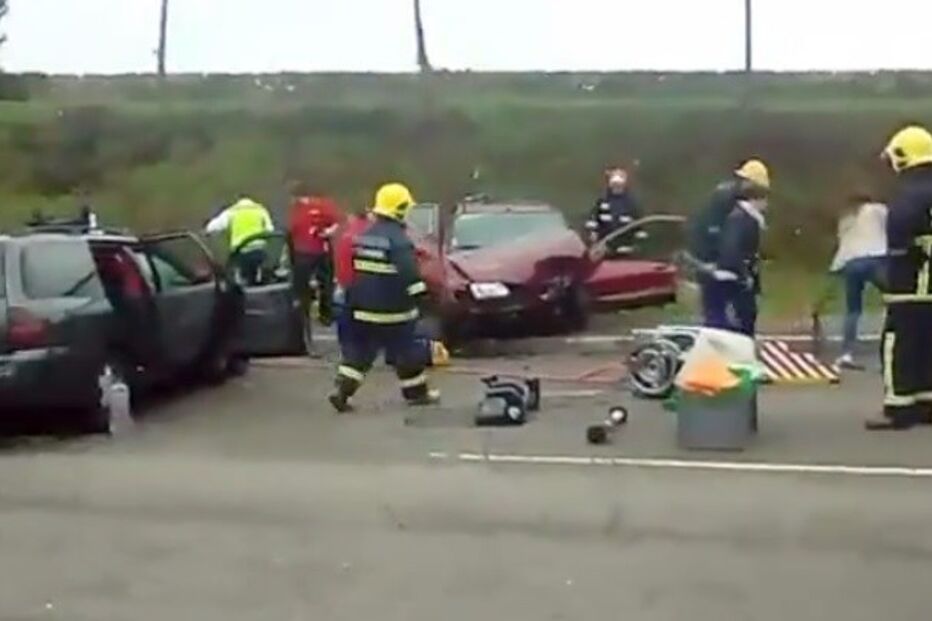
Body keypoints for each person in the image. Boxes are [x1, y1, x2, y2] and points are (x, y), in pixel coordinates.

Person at [328, 182, 440, 413]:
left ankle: (342, 391)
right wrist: (425, 301)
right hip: (395, 312)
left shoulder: (364, 237)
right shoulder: (399, 240)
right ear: (399, 209)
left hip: (362, 308)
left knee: (359, 356)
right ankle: (417, 394)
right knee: (407, 353)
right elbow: (410, 275)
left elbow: (357, 271)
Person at [866, 125, 932, 431]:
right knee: (927, 342)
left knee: (897, 341)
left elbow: (901, 235)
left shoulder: (910, 194)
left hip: (910, 281)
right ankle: (926, 403)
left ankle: (899, 406)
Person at [686, 159, 771, 331]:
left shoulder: (737, 204)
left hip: (725, 267)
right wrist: (714, 264)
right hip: (717, 266)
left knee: (727, 316)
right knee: (721, 317)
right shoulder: (728, 203)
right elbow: (714, 234)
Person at [828, 193, 887, 369]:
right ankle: (891, 346)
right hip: (875, 259)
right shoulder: (876, 209)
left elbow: (843, 244)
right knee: (894, 300)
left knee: (853, 309)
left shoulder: (846, 218)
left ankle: (847, 353)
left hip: (851, 263)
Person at [712, 191, 769, 336]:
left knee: (745, 316)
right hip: (737, 277)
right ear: (756, 199)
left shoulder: (746, 218)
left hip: (740, 275)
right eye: (765, 200)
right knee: (744, 317)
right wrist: (744, 274)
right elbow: (733, 249)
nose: (767, 205)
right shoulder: (742, 219)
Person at [288, 183, 343, 329]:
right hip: (315, 251)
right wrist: (329, 232)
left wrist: (327, 232)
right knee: (324, 284)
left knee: (305, 285)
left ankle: (306, 315)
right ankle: (324, 315)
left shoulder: (304, 208)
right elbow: (336, 223)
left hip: (307, 252)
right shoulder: (322, 206)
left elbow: (292, 231)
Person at [205, 195, 274, 286]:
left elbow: (213, 227)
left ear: (238, 201)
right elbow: (270, 230)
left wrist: (207, 230)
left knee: (237, 278)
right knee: (262, 278)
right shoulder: (260, 209)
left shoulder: (232, 211)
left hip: (241, 252)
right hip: (259, 251)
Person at [585, 167, 644, 253]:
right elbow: (592, 222)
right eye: (614, 185)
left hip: (626, 250)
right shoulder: (602, 201)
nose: (616, 188)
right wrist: (592, 234)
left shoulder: (631, 204)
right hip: (604, 249)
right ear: (610, 185)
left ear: (624, 185)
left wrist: (635, 247)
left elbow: (639, 228)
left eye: (619, 185)